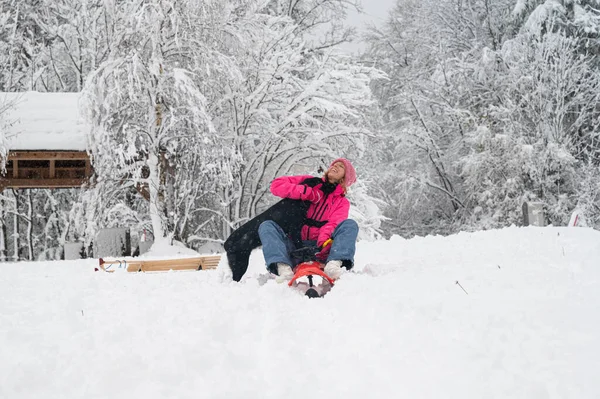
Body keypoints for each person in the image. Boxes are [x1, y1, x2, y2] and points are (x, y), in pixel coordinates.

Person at [258, 158, 359, 282]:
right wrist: (305, 192)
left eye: (341, 167)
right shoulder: (310, 183)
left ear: (345, 178)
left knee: (349, 225)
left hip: (322, 249)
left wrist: (321, 246)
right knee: (267, 226)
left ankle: (333, 264)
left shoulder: (342, 202)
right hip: (294, 246)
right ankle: (283, 267)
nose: (335, 166)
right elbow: (276, 185)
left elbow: (333, 224)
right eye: (334, 164)